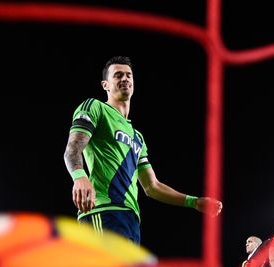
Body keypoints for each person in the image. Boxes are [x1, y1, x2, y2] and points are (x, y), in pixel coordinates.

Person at [63, 56, 222, 243]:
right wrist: (79, 177)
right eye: (118, 75)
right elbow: (72, 148)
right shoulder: (95, 107)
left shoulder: (137, 137)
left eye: (129, 75)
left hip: (131, 220)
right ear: (105, 85)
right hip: (104, 210)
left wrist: (194, 202)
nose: (125, 79)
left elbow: (152, 186)